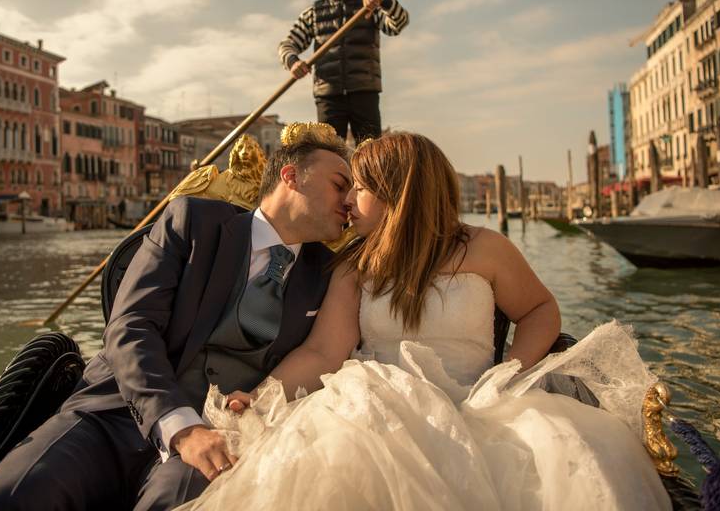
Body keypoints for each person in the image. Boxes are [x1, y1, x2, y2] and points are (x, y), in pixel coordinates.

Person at [178, 133, 672, 510]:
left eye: (361, 187)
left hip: (481, 404)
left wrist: (509, 374)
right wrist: (263, 393)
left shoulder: (486, 248)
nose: (347, 200)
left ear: (397, 191)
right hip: (374, 407)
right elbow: (324, 353)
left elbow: (540, 311)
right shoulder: (354, 264)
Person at [0, 136, 353, 511]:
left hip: (219, 434)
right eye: (340, 185)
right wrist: (181, 427)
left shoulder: (328, 275)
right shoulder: (193, 221)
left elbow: (320, 355)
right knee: (6, 498)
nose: (348, 200)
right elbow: (130, 326)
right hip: (114, 413)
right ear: (290, 176)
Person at [278, 0, 408, 143]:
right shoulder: (314, 12)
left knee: (370, 150)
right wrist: (293, 62)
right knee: (328, 151)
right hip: (328, 95)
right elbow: (287, 44)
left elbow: (398, 24)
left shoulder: (371, 6)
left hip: (364, 90)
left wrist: (383, 0)